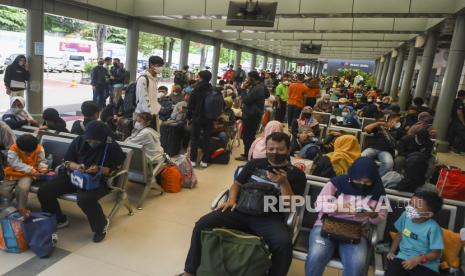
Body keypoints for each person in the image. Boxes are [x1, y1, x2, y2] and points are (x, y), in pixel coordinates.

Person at [180, 132, 306, 276]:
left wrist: (283, 183)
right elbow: (236, 184)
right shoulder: (254, 164)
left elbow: (290, 206)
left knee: (283, 245)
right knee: (202, 224)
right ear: (266, 148)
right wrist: (231, 200)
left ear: (288, 150)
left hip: (269, 217)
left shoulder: (297, 174)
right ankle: (189, 271)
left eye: (279, 149)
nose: (274, 152)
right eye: (271, 149)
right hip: (240, 209)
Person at [38, 121, 125, 242]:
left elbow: (115, 170)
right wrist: (77, 166)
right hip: (75, 176)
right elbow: (67, 161)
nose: (92, 144)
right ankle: (59, 219)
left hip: (99, 180)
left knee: (85, 199)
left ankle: (101, 226)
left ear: (103, 139)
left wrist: (99, 169)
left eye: (96, 142)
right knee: (45, 191)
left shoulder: (111, 146)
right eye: (89, 141)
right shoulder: (80, 141)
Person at [306, 157, 387, 276]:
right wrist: (340, 207)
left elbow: (379, 219)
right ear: (353, 174)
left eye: (367, 182)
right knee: (316, 255)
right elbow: (318, 205)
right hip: (326, 225)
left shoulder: (378, 191)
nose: (362, 184)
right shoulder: (337, 183)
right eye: (359, 180)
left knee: (357, 264)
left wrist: (372, 214)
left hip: (357, 230)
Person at [386, 191, 444, 276]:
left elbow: (436, 254)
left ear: (428, 214)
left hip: (426, 264)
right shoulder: (405, 216)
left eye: (415, 207)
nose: (409, 208)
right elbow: (399, 234)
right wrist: (391, 252)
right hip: (403, 258)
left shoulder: (433, 228)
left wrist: (418, 259)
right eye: (410, 203)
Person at [2, 134, 48, 209]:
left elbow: (41, 161)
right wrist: (31, 170)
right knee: (4, 190)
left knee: (23, 188)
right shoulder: (13, 148)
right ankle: (3, 207)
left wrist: (42, 168)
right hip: (13, 172)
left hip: (28, 174)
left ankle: (21, 209)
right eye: (26, 153)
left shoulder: (39, 149)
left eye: (30, 152)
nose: (29, 154)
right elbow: (15, 163)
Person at [235, 71, 267, 161]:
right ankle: (249, 153)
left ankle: (248, 155)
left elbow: (246, 100)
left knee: (247, 136)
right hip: (254, 114)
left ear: (252, 78)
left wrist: (244, 89)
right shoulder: (260, 86)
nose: (247, 80)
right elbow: (267, 95)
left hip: (251, 115)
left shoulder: (257, 88)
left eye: (248, 78)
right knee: (249, 136)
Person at [187, 70, 215, 168]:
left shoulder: (196, 89)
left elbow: (190, 105)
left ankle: (193, 160)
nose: (197, 78)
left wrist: (188, 117)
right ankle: (205, 161)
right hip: (209, 118)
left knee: (195, 138)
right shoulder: (213, 89)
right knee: (207, 139)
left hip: (197, 117)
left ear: (201, 78)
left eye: (198, 77)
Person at [135, 55, 164, 131]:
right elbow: (142, 98)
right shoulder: (143, 79)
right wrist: (149, 113)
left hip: (154, 114)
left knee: (153, 137)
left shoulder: (154, 79)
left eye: (161, 66)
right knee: (142, 138)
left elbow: (152, 96)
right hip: (144, 115)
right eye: (158, 65)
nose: (160, 68)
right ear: (151, 65)